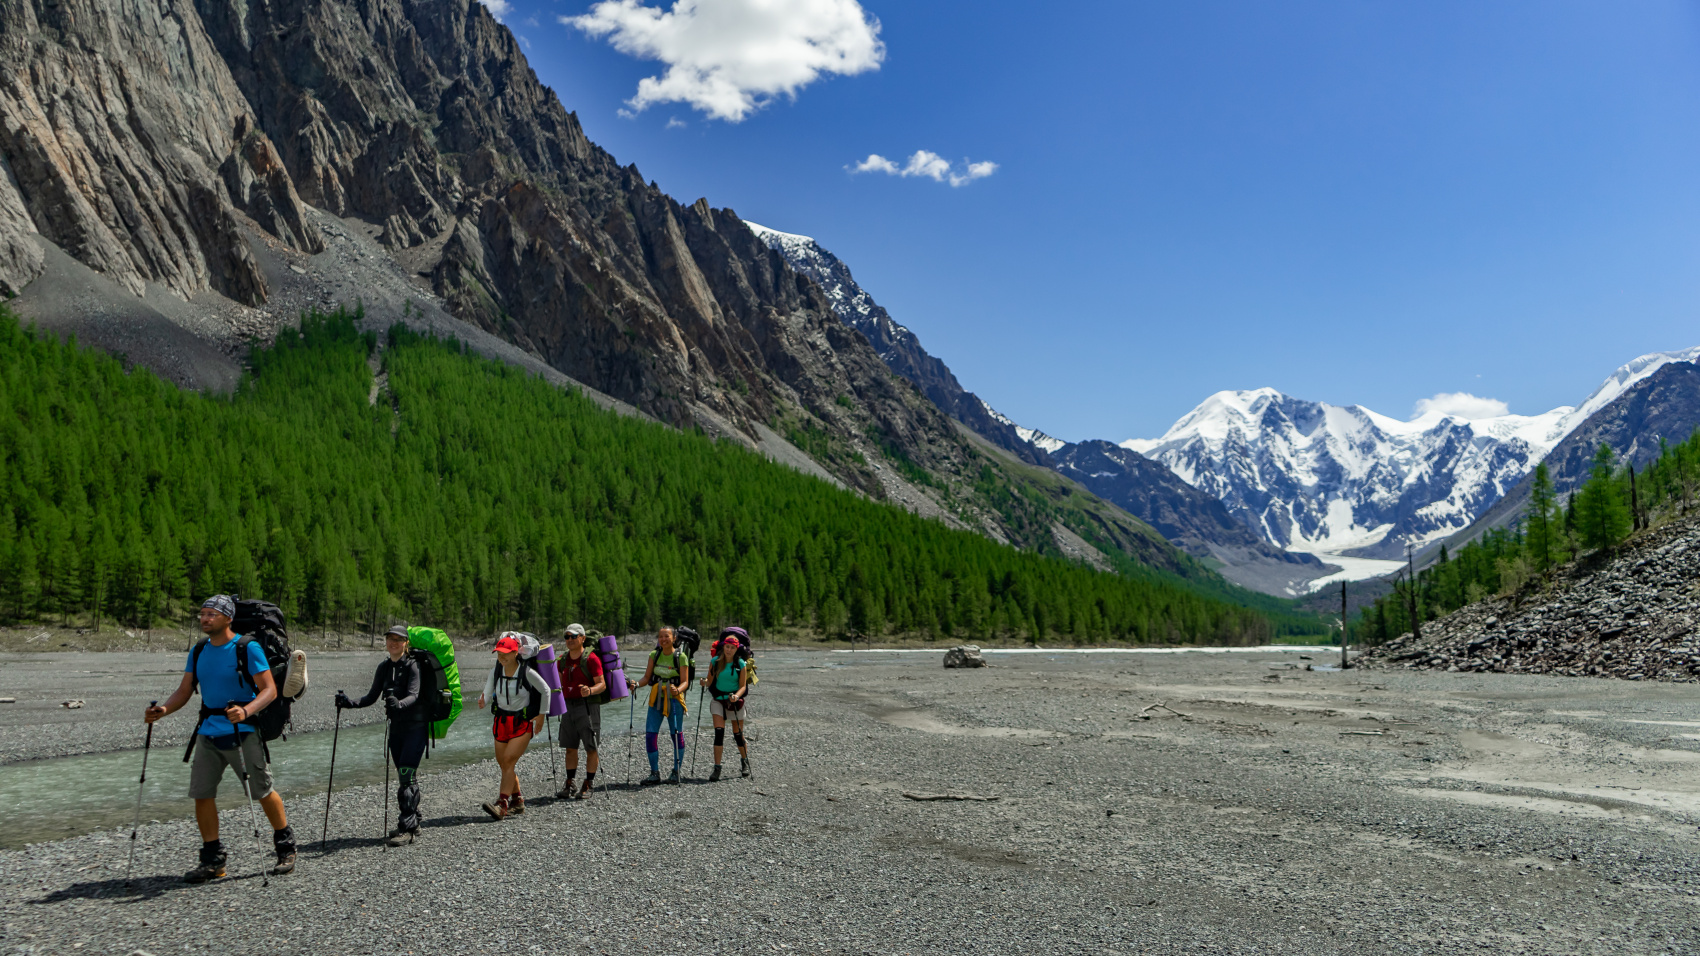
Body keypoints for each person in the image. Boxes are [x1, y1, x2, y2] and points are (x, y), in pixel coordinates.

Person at [144, 595, 295, 882]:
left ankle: (285, 846)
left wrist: (246, 710)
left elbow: (269, 690)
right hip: (208, 731)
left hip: (244, 731)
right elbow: (185, 690)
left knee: (262, 792)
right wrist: (162, 710)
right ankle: (213, 860)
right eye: (202, 614)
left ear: (228, 618)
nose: (205, 619)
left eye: (212, 614)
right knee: (202, 794)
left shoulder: (247, 648)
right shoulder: (199, 650)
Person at [336, 625, 427, 846]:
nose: (393, 642)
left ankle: (407, 830)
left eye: (398, 639)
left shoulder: (413, 666)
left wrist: (399, 703)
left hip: (415, 727)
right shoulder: (384, 667)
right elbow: (370, 697)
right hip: (396, 728)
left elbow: (414, 695)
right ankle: (413, 820)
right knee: (405, 776)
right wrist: (349, 703)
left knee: (406, 773)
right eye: (390, 639)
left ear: (406, 643)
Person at [477, 634, 549, 819]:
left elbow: (546, 690)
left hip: (521, 723)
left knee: (508, 760)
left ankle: (502, 804)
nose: (502, 657)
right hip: (501, 722)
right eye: (499, 653)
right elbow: (488, 690)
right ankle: (518, 802)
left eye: (506, 653)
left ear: (516, 652)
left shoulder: (526, 672)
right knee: (504, 764)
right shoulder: (496, 671)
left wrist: (541, 715)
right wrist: (483, 701)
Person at [629, 626, 691, 785]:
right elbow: (646, 677)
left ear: (674, 638)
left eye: (667, 636)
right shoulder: (654, 655)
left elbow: (685, 681)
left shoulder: (681, 657)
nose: (663, 639)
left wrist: (678, 690)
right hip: (656, 698)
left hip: (675, 700)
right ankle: (654, 773)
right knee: (650, 735)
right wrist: (636, 684)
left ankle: (676, 772)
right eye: (660, 636)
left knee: (676, 735)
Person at [553, 623, 607, 800]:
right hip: (568, 706)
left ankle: (589, 783)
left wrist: (590, 690)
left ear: (582, 638)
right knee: (570, 747)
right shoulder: (562, 660)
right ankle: (570, 783)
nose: (569, 639)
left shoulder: (591, 659)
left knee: (591, 747)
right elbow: (558, 682)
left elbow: (602, 684)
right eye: (566, 636)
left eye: (573, 636)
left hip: (588, 705)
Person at [702, 633, 751, 780]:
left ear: (736, 649)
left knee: (738, 735)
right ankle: (717, 768)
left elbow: (742, 686)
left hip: (734, 701)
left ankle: (744, 762)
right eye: (727, 647)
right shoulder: (715, 661)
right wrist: (704, 682)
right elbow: (709, 682)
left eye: (732, 648)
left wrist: (736, 696)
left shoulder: (740, 664)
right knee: (719, 734)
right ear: (723, 647)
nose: (729, 650)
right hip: (718, 700)